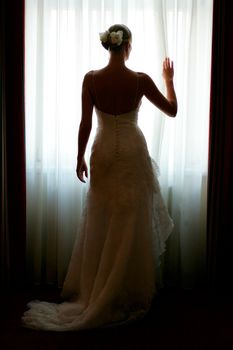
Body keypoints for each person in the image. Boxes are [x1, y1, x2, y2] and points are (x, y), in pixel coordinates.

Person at [22, 24, 177, 331]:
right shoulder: (141, 80)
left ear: (108, 46)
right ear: (128, 46)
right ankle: (123, 290)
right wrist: (169, 82)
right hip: (132, 151)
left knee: (102, 220)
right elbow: (171, 110)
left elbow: (85, 124)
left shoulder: (91, 79)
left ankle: (97, 289)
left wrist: (79, 156)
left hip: (103, 151)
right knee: (130, 222)